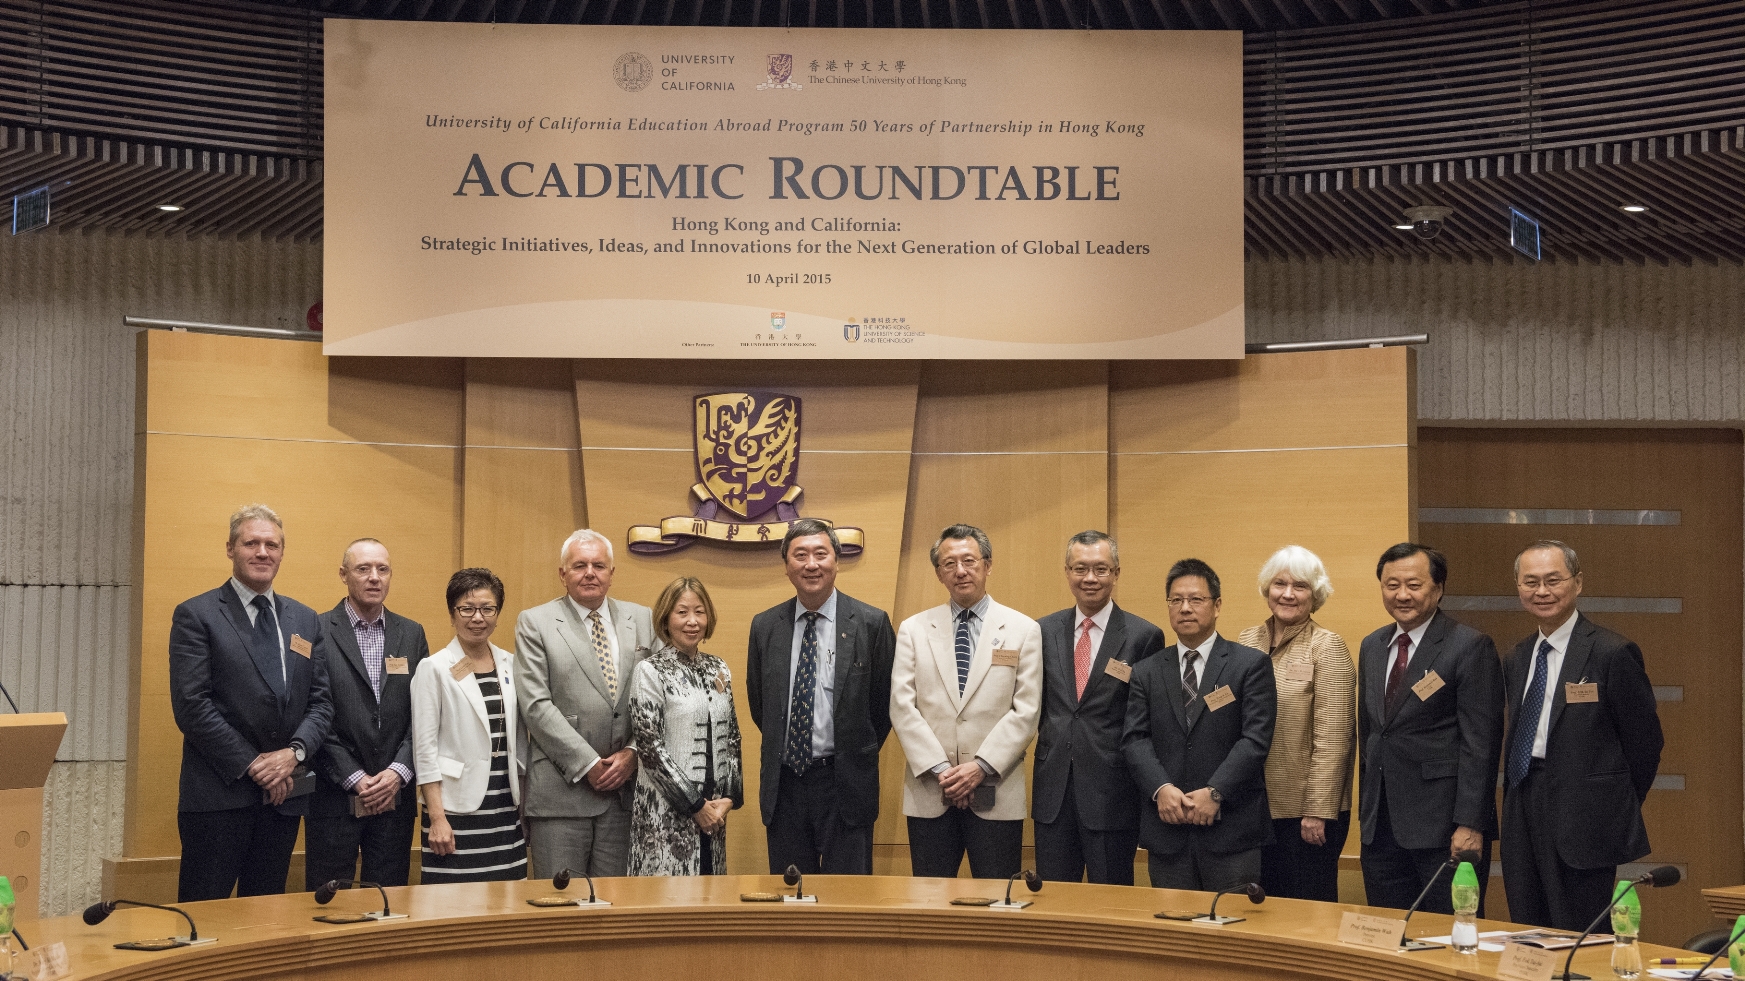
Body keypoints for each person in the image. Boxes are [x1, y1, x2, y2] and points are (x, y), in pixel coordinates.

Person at [169, 504, 332, 902]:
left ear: (281, 552)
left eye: (271, 544)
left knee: (265, 919)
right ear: (230, 549)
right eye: (252, 543)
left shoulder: (305, 619)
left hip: (283, 797)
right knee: (204, 921)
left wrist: (292, 756)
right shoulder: (197, 615)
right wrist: (256, 765)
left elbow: (321, 702)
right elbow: (192, 706)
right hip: (219, 798)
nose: (263, 552)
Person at [1502, 541, 1663, 931]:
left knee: (1581, 933)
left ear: (1577, 583)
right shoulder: (1519, 656)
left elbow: (1645, 743)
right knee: (1528, 926)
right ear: (1519, 588)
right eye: (1531, 582)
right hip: (1524, 801)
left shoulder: (1611, 652)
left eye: (1553, 580)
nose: (1542, 591)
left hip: (1587, 815)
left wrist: (1609, 799)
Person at [890, 524, 1043, 879]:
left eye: (969, 561)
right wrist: (944, 772)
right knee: (928, 903)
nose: (960, 570)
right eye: (949, 563)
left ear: (987, 565)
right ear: (939, 573)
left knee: (996, 901)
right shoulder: (913, 629)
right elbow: (902, 706)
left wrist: (979, 768)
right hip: (930, 789)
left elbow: (1027, 710)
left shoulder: (1023, 629)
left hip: (996, 789)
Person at [1358, 543, 1503, 915]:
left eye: (1413, 584)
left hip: (1444, 829)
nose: (1402, 594)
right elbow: (1372, 734)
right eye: (1391, 585)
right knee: (1390, 935)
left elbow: (1480, 743)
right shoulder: (1372, 645)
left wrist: (1471, 823)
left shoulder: (1469, 645)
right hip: (1381, 827)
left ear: (1438, 589)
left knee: (1450, 935)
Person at [745, 518, 896, 875]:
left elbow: (883, 708)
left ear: (836, 562)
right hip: (785, 786)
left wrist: (851, 749)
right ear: (786, 567)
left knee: (849, 899)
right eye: (800, 555)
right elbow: (760, 705)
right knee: (789, 895)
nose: (811, 564)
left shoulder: (872, 623)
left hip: (844, 782)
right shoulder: (765, 626)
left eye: (820, 554)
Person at [1123, 559, 1276, 891]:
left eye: (1196, 599)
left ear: (1217, 605)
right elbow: (1135, 740)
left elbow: (1255, 740)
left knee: (1232, 932)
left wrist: (1216, 791)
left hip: (1231, 830)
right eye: (1176, 600)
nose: (1185, 608)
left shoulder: (1249, 665)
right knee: (1173, 935)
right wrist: (1160, 789)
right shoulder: (1146, 670)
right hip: (1168, 830)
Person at [515, 530, 655, 879]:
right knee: (560, 908)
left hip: (624, 796)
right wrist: (588, 763)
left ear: (611, 573)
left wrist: (634, 752)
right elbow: (536, 705)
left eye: (598, 565)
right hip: (561, 795)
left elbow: (657, 698)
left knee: (616, 909)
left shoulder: (642, 619)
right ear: (563, 574)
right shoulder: (535, 622)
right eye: (579, 565)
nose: (590, 572)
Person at [1032, 530, 1164, 885]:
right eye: (1080, 568)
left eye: (1101, 569)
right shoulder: (1041, 631)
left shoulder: (1143, 636)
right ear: (1067, 572)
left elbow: (1146, 721)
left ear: (1116, 573)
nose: (1090, 578)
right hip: (1053, 791)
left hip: (1112, 793)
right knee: (1053, 901)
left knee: (1113, 900)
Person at [306, 538, 430, 889]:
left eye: (383, 569)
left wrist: (397, 773)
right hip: (333, 797)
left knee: (387, 904)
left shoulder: (412, 633)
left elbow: (424, 713)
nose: (374, 577)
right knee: (330, 904)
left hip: (395, 799)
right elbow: (314, 713)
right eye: (363, 569)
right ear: (344, 575)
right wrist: (354, 778)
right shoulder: (316, 630)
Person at [1235, 546, 1356, 903]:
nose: (1288, 594)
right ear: (1266, 589)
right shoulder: (1246, 641)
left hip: (1304, 816)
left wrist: (1317, 811)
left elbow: (1334, 739)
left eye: (1300, 586)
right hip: (1251, 808)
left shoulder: (1327, 647)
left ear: (1314, 595)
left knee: (1305, 913)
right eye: (1280, 583)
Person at [411, 568, 527, 882]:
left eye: (487, 609)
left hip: (504, 810)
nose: (478, 617)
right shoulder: (432, 668)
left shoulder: (511, 663)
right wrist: (436, 817)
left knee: (507, 905)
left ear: (497, 614)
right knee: (454, 908)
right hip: (454, 811)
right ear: (452, 614)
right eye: (467, 608)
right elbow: (424, 749)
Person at [628, 577, 743, 876]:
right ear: (666, 618)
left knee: (710, 903)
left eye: (699, 611)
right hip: (667, 811)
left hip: (714, 811)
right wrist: (695, 806)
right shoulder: (650, 671)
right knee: (668, 907)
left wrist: (728, 798)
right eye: (682, 612)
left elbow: (732, 737)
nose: (692, 621)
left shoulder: (718, 668)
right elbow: (650, 749)